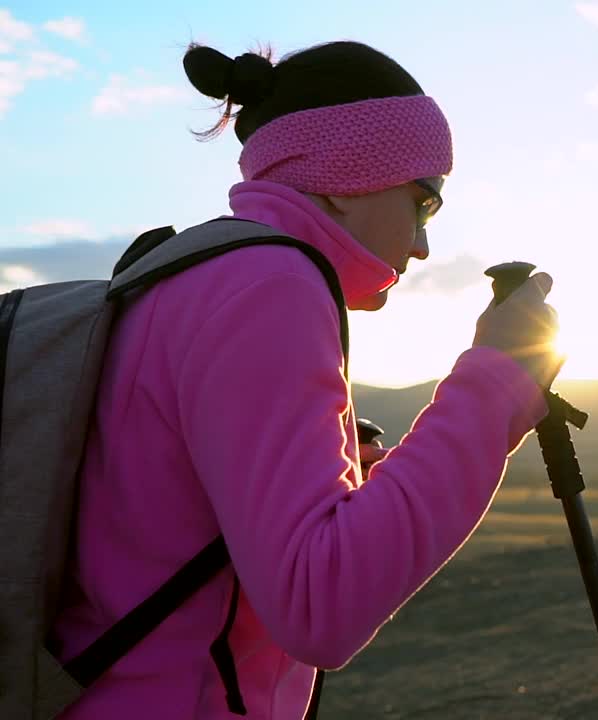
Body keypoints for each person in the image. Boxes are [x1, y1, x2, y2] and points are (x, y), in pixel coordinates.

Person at [48, 40, 562, 718]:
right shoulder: (271, 285)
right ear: (345, 180)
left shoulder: (182, 274)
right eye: (425, 201)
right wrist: (499, 382)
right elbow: (319, 605)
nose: (423, 243)